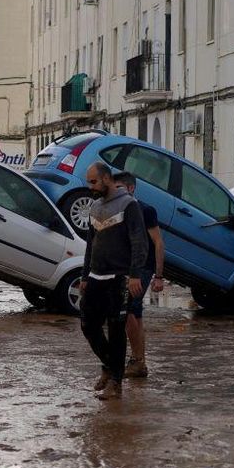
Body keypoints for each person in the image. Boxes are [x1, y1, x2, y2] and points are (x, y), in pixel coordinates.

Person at [79, 162, 148, 400]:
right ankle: (110, 366)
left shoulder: (129, 205)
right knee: (88, 325)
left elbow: (140, 242)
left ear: (107, 179)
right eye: (89, 182)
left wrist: (135, 275)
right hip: (96, 276)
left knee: (117, 329)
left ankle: (116, 383)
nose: (90, 187)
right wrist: (85, 276)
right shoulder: (95, 207)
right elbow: (90, 244)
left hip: (120, 278)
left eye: (94, 182)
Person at [113, 171, 165, 379]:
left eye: (119, 188)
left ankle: (136, 361)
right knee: (136, 314)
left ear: (130, 188)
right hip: (126, 268)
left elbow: (159, 243)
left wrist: (158, 276)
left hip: (142, 268)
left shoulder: (145, 210)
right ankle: (139, 362)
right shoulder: (117, 210)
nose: (115, 192)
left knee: (128, 312)